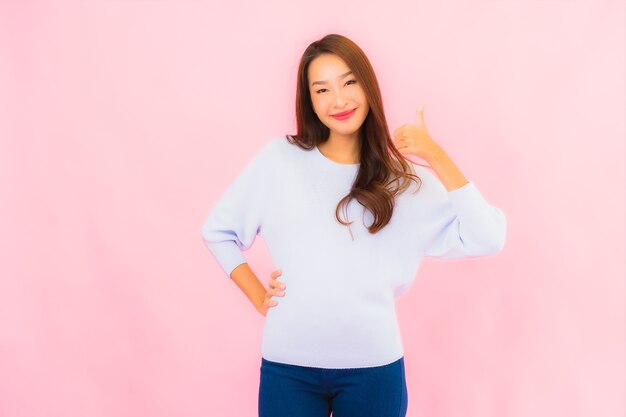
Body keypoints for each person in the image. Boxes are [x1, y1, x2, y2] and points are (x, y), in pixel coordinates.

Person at [200, 33, 506, 417]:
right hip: (287, 368)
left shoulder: (404, 181)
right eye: (322, 89)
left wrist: (435, 155)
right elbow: (218, 231)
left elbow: (488, 237)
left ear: (368, 85)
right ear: (309, 101)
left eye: (349, 82)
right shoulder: (279, 161)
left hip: (374, 371)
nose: (339, 100)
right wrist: (260, 297)